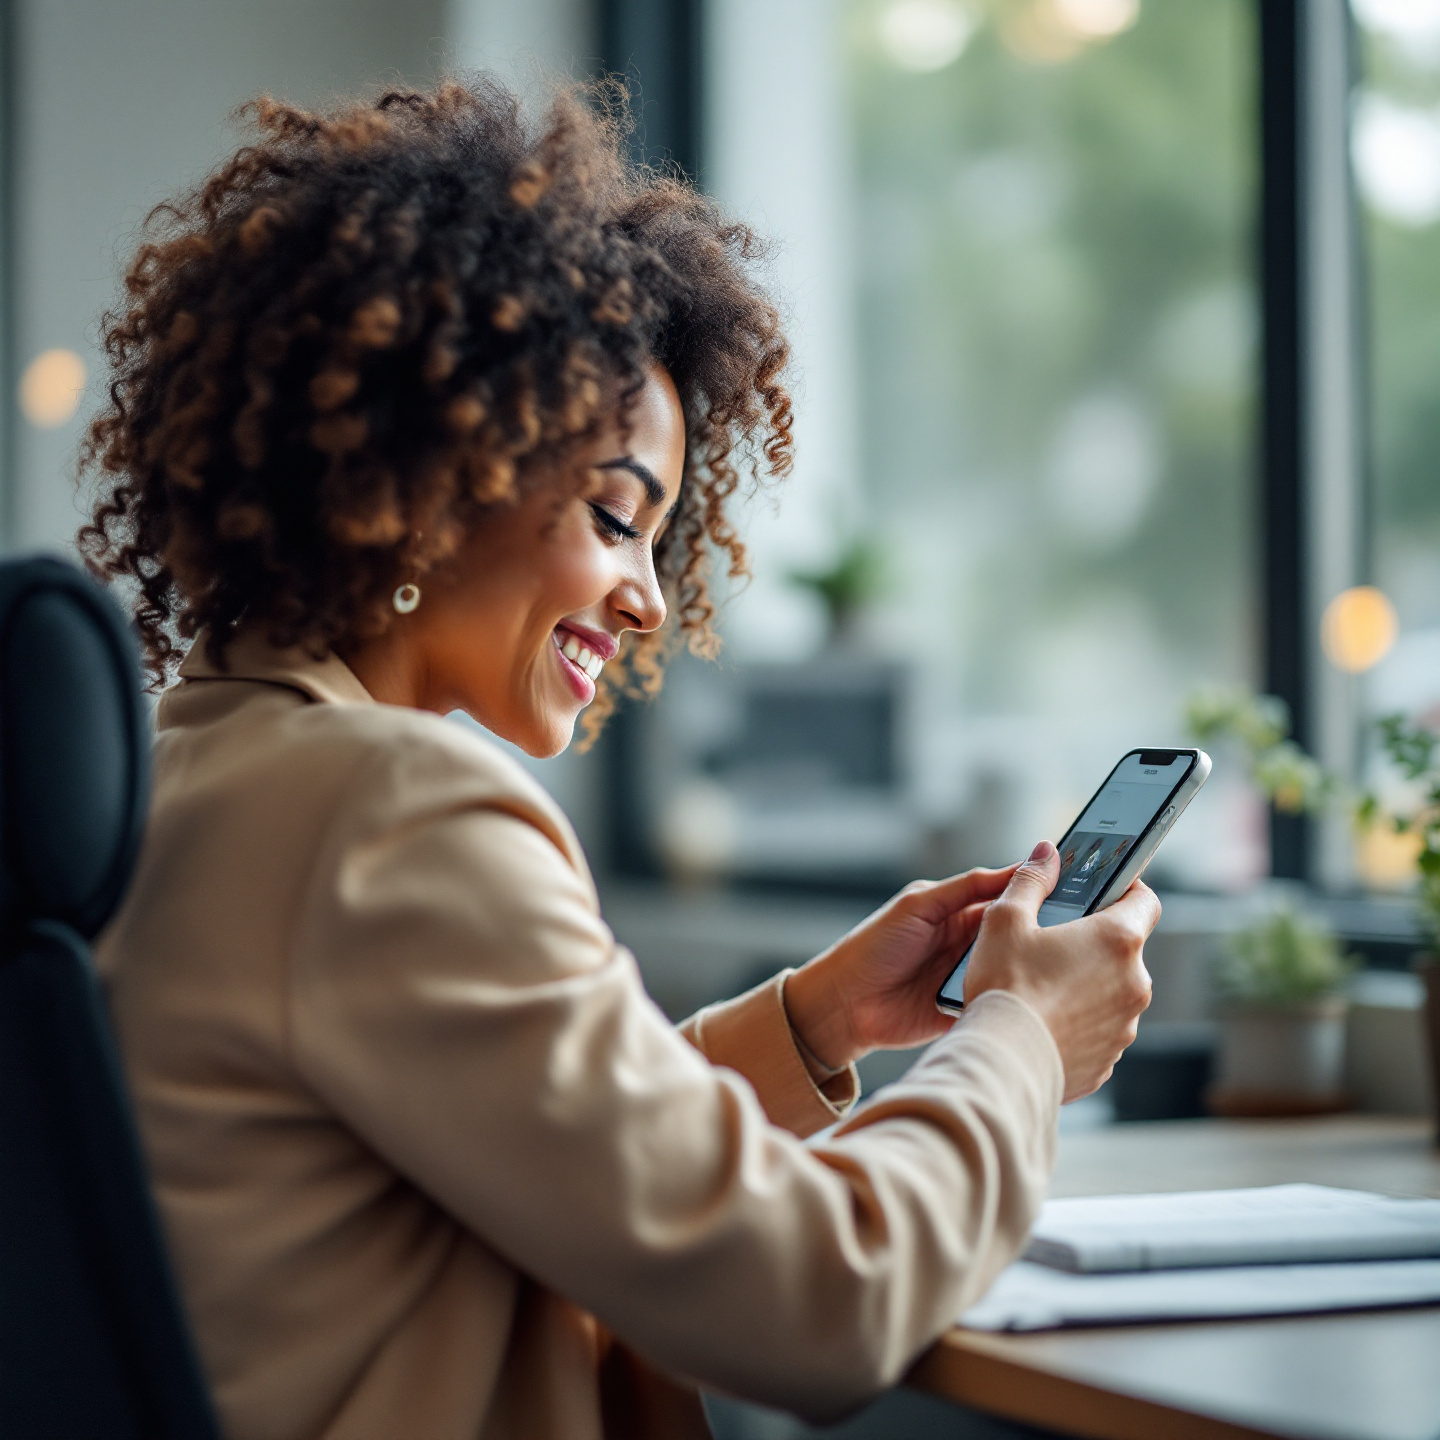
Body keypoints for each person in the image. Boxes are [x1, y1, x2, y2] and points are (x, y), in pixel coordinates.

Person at [82, 80, 1156, 1440]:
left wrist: (813, 1024)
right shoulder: (391, 814)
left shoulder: (193, 768)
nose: (651, 597)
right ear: (431, 477)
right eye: (614, 516)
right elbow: (819, 1298)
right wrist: (1021, 1043)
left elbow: (508, 1135)